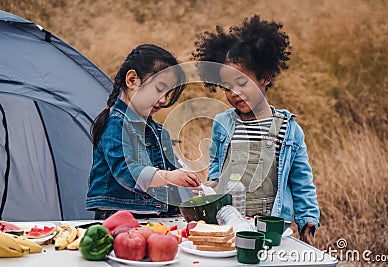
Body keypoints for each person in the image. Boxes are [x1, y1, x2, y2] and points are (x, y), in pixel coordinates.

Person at [192, 15, 320, 245]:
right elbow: (216, 166)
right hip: (228, 222)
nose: (234, 93)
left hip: (271, 227)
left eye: (242, 83)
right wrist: (212, 185)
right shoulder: (223, 123)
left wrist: (307, 219)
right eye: (227, 87)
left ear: (265, 77)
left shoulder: (288, 129)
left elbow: (301, 181)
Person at [86, 44, 201, 220]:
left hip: (153, 216)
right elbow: (127, 172)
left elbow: (171, 174)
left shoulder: (159, 131)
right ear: (132, 80)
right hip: (118, 215)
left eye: (168, 93)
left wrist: (191, 182)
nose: (163, 100)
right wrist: (169, 176)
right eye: (159, 89)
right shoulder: (116, 123)